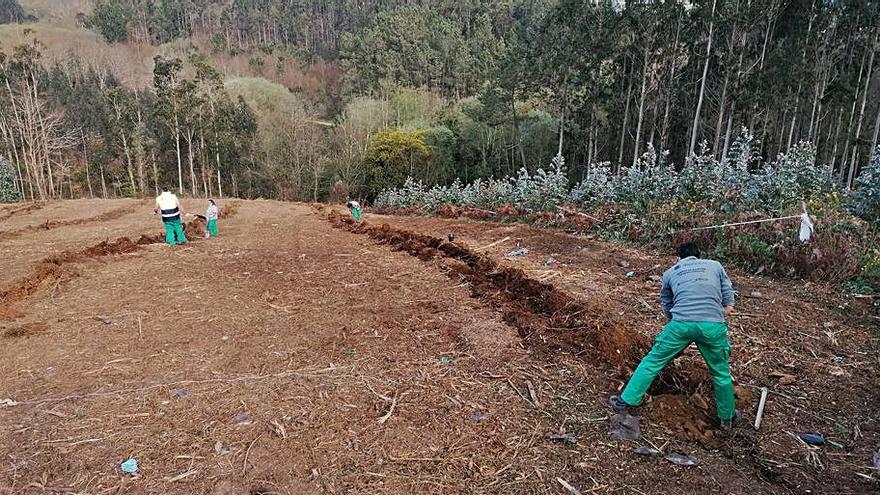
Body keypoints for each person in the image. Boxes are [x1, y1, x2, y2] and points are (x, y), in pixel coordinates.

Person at [610, 243, 737, 429]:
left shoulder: (670, 272)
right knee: (720, 373)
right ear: (698, 256)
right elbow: (727, 293)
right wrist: (725, 309)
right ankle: (727, 418)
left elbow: (666, 303)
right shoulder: (715, 265)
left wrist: (675, 323)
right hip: (712, 326)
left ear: (679, 258)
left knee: (653, 361)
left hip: (680, 325)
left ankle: (625, 402)